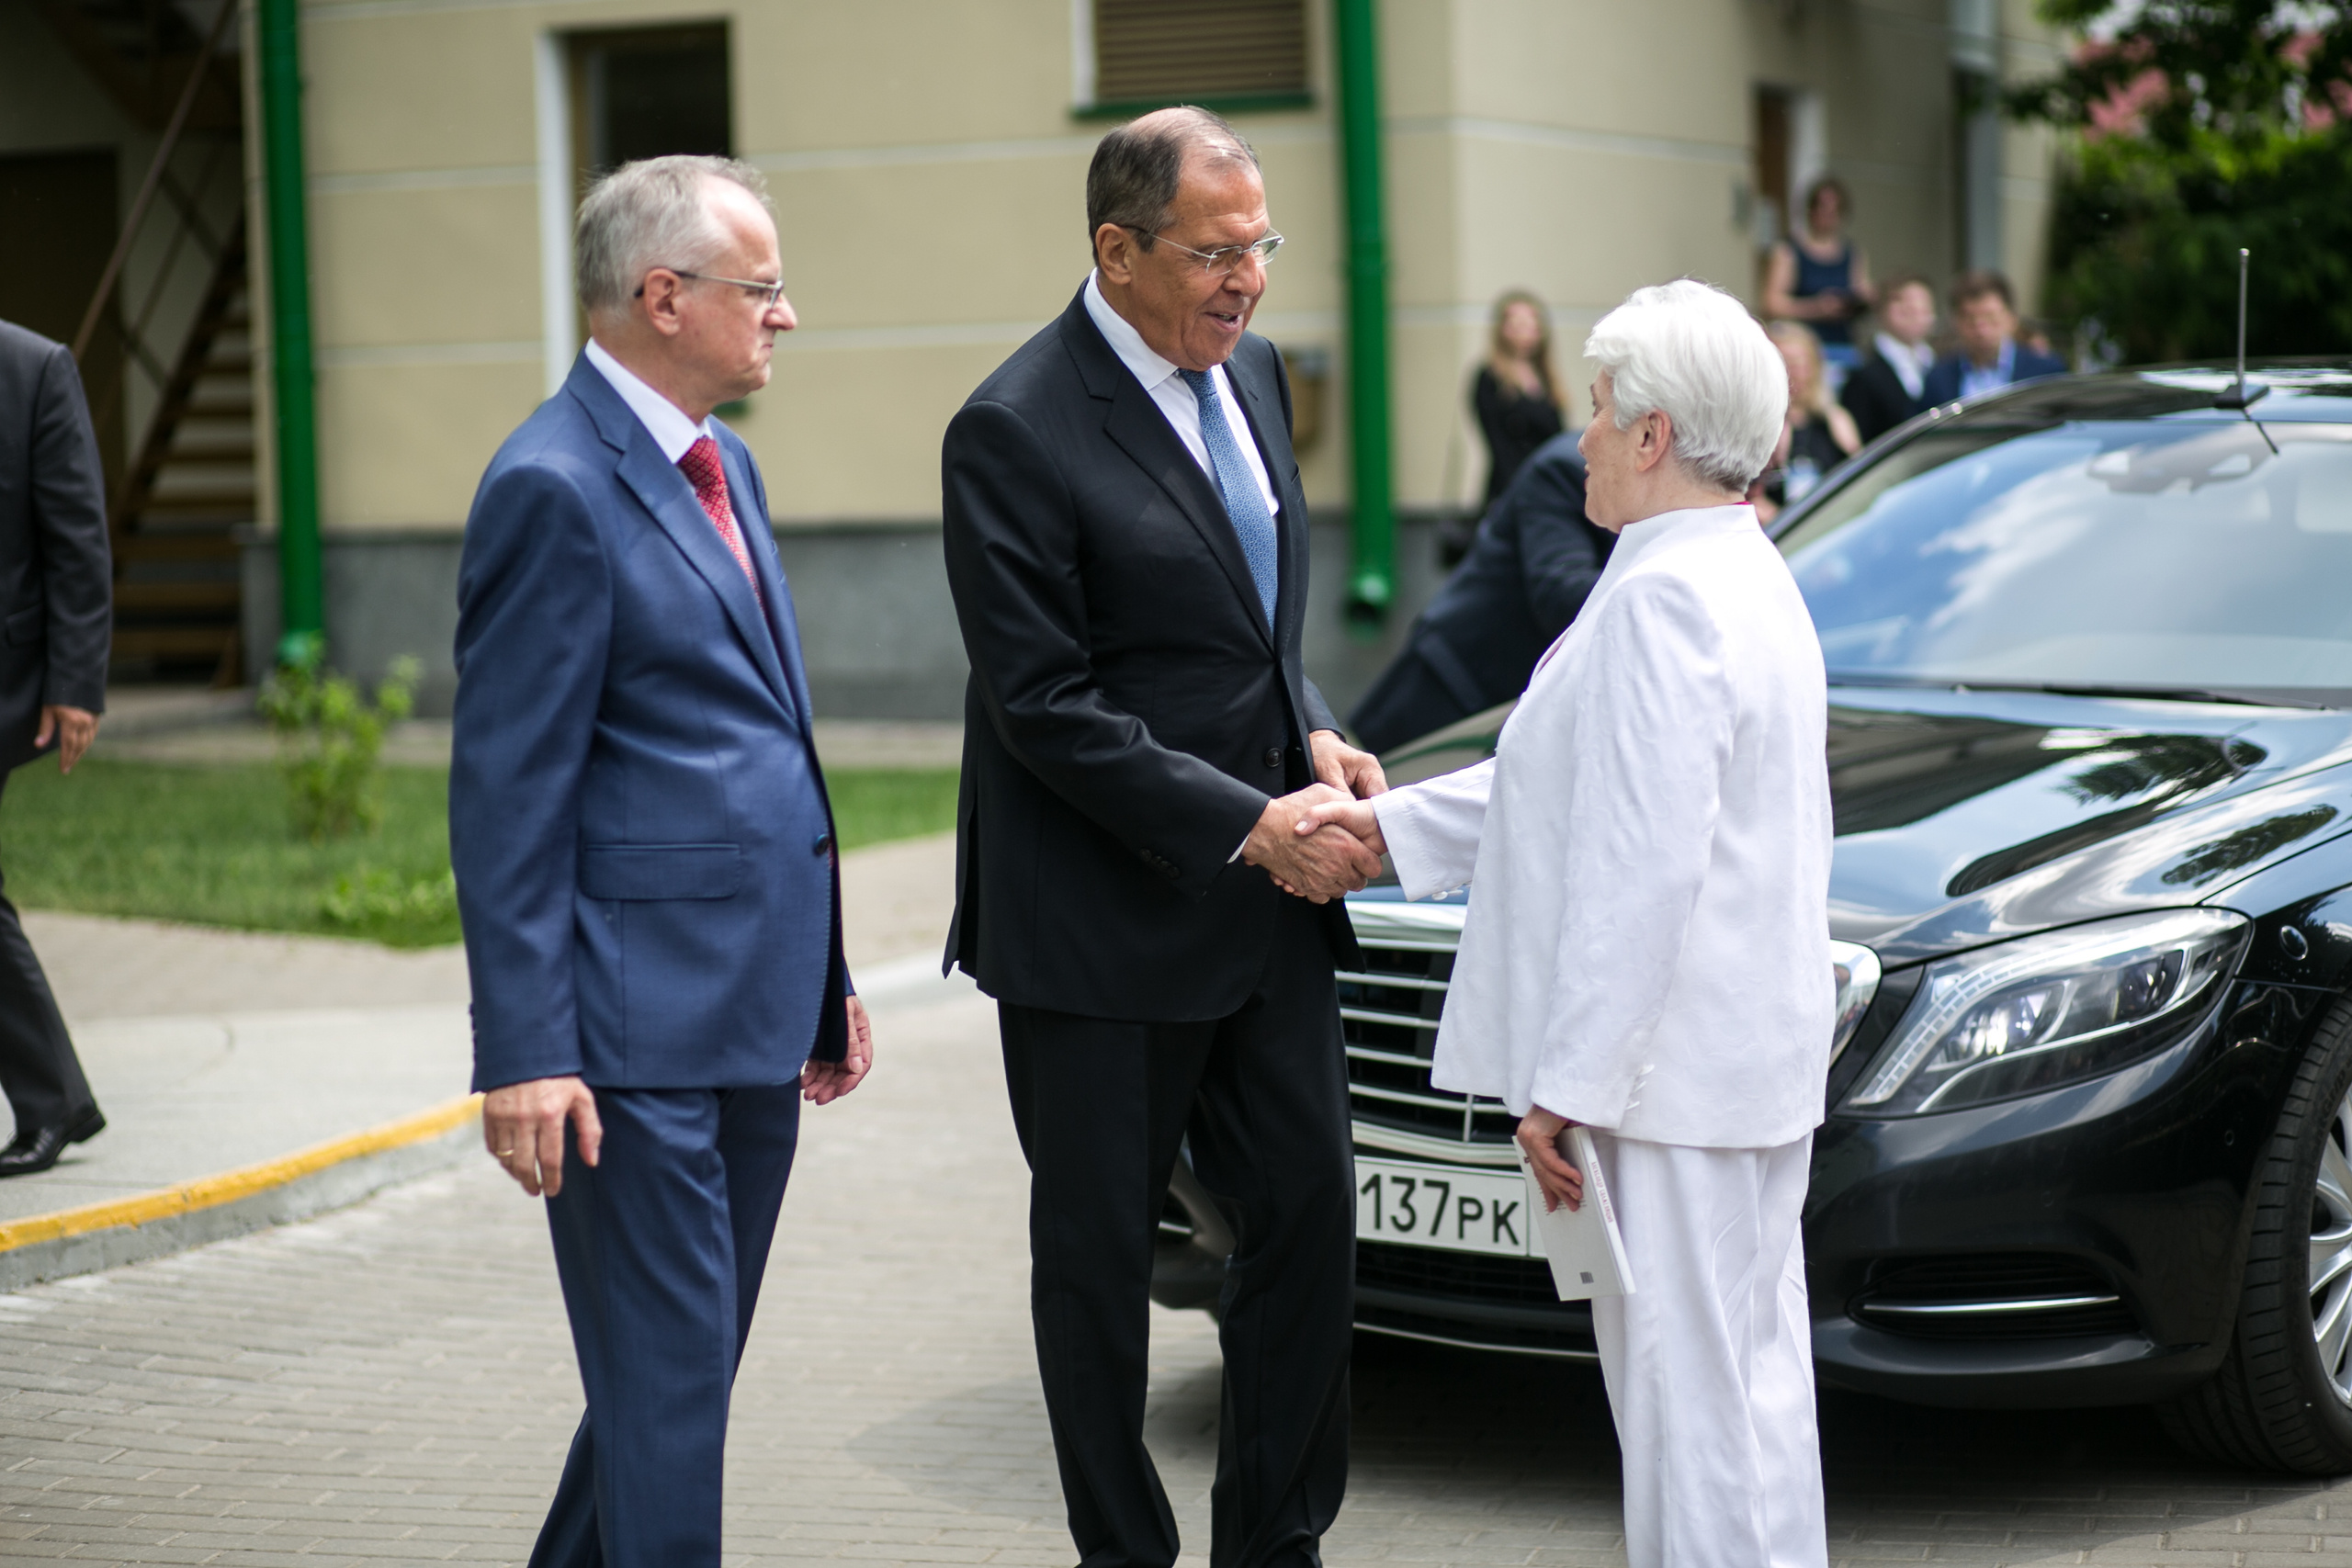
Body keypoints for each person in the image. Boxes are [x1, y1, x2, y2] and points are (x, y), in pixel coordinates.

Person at [1305, 279, 1835, 1568]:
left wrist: (1568, 1085)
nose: (1580, 434)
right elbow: (1570, 774)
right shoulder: (1739, 566)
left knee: (1685, 1413)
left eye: (1598, 409)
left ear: (1654, 435)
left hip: (1668, 1087)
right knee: (1752, 1387)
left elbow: (1644, 862)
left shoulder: (1661, 596)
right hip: (1738, 1070)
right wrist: (1391, 832)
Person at [939, 107, 1385, 1568]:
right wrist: (1253, 822)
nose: (1248, 278)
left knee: (1309, 1215)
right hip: (1097, 927)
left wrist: (1311, 725)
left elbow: (1247, 627)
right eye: (1214, 252)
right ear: (1117, 250)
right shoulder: (1012, 427)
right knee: (1097, 1269)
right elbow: (1045, 704)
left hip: (1262, 912)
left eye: (1262, 245)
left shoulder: (1251, 372)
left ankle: (1276, 1539)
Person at [448, 155, 872, 1568]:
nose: (786, 313)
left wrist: (825, 974)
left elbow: (764, 738)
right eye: (764, 287)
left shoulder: (724, 462)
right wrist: (525, 1049)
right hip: (628, 1045)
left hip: (751, 1022)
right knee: (672, 1396)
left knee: (667, 1388)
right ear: (663, 296)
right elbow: (508, 797)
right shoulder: (550, 485)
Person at [0, 320, 108, 1178]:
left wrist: (75, 680)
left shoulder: (35, 369)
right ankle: (56, 1098)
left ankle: (54, 1098)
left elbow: (78, 535)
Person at [1348, 433, 1612, 754]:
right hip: (1455, 682)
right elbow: (1561, 592)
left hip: (1522, 705)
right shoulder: (1564, 468)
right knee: (1365, 774)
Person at [1762, 175, 1874, 377]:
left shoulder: (1852, 253)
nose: (1828, 215)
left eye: (1835, 210)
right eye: (1822, 208)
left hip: (1843, 345)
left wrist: (1861, 301)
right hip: (1803, 347)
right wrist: (1816, 308)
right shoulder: (1788, 251)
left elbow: (1862, 289)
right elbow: (1772, 304)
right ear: (1810, 210)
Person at [1472, 289, 1566, 508]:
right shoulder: (1491, 378)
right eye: (1517, 324)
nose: (1525, 332)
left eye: (1531, 323)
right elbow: (1496, 442)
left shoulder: (1546, 378)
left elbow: (1557, 436)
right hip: (1510, 486)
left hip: (1546, 485)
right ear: (1502, 329)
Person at [1921, 269, 2067, 404]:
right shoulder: (1937, 379)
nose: (1981, 330)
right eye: (1971, 321)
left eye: (1991, 318)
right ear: (1956, 323)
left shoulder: (2046, 372)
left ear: (2012, 318)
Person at [1766, 320, 1860, 508]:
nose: (1797, 374)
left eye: (1802, 364)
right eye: (1787, 364)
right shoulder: (1761, 425)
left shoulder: (1834, 420)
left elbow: (1858, 479)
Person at [1839, 272, 1937, 445]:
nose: (1913, 309)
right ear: (1881, 309)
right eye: (1902, 302)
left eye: (1922, 304)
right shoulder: (1863, 371)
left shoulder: (1942, 366)